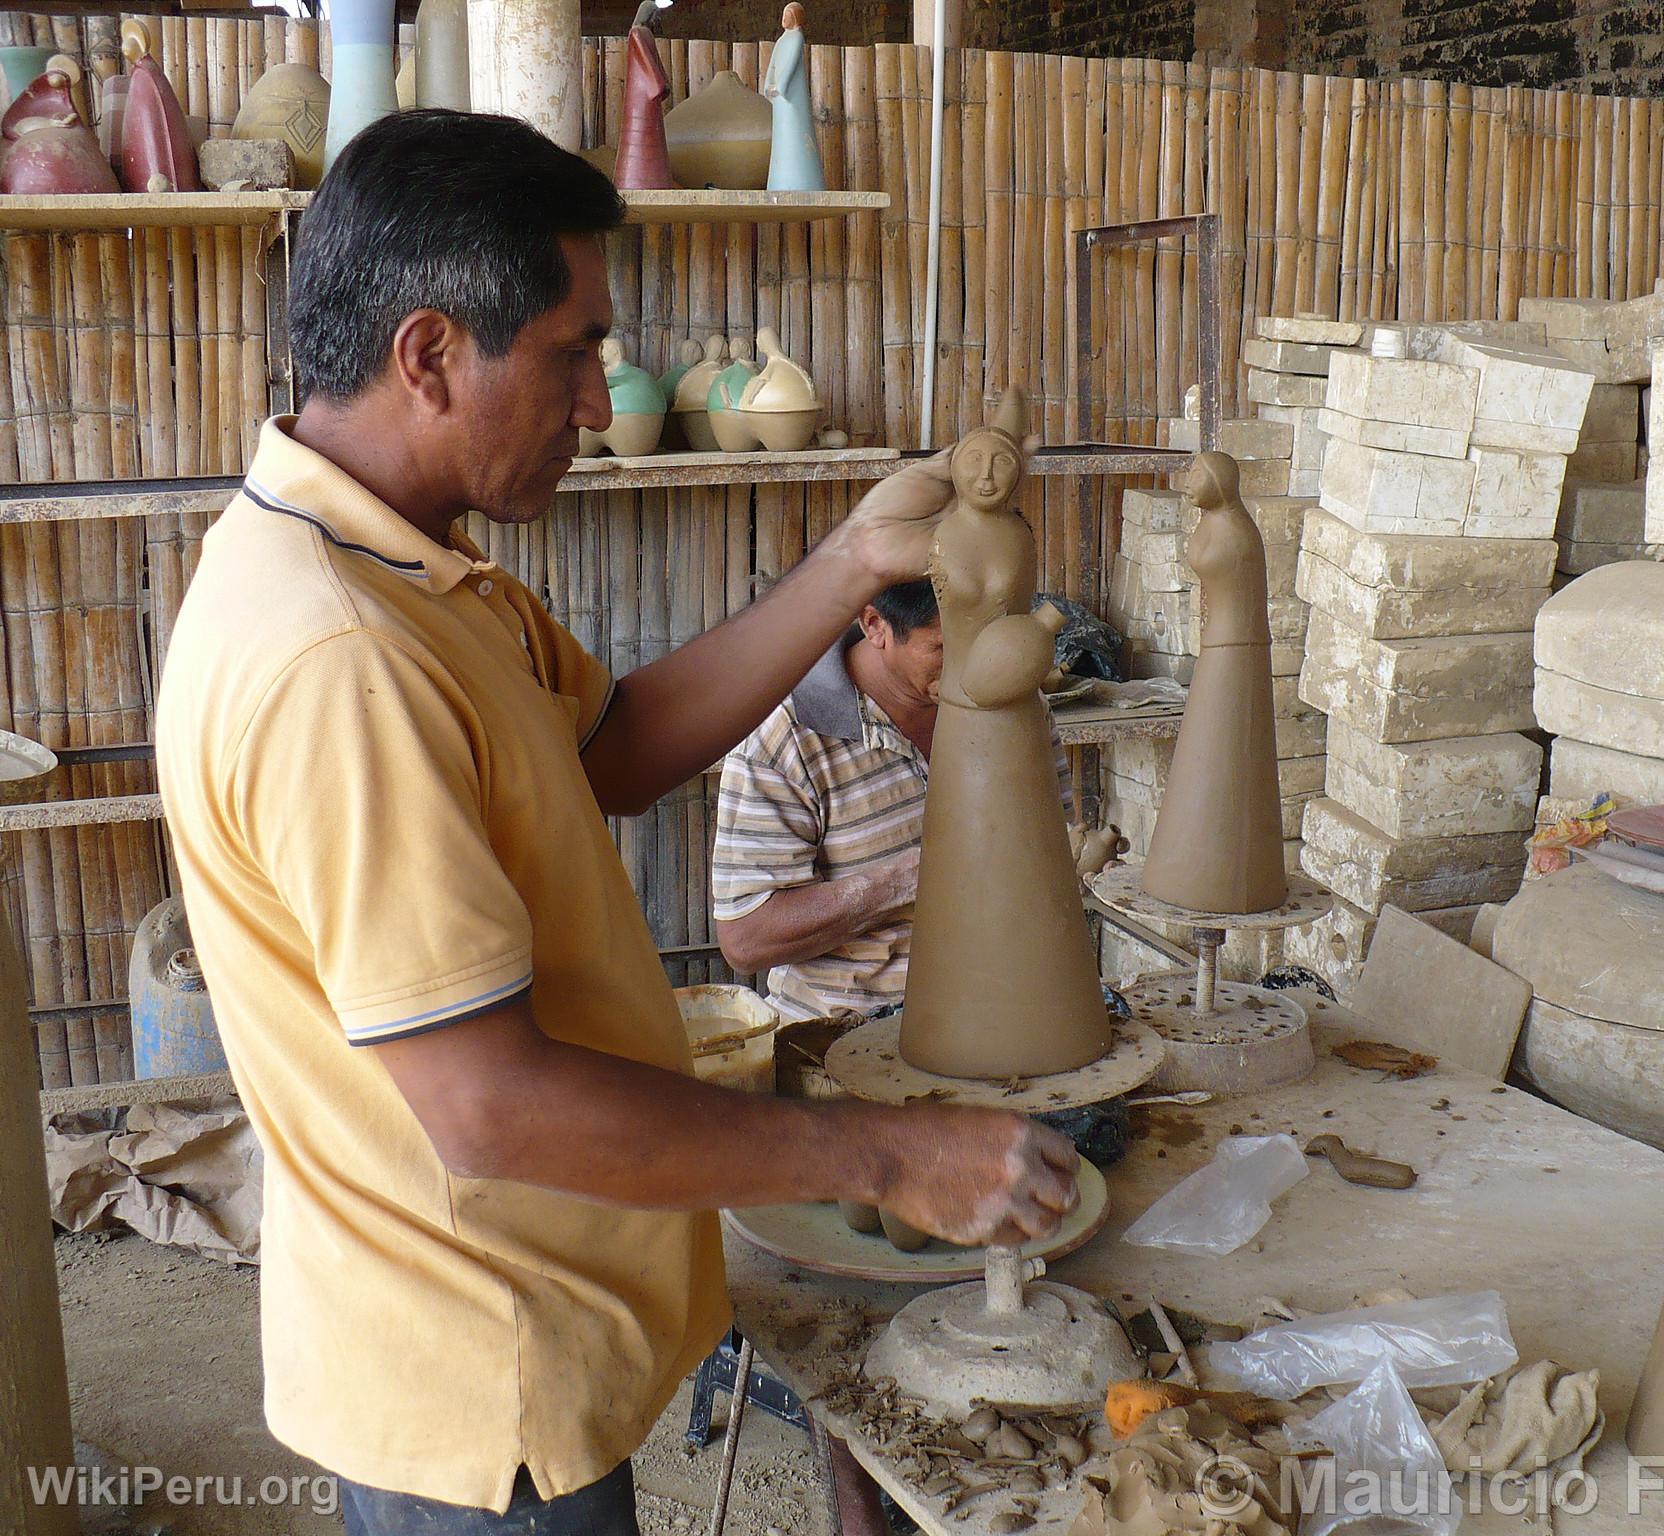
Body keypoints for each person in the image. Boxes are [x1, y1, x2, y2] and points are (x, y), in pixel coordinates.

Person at [153, 109, 1077, 1536]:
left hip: (516, 1332)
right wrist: (891, 1154)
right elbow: (488, 1104)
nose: (598, 402)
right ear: (429, 355)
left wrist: (851, 565)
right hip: (477, 1389)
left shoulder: (404, 566)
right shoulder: (341, 659)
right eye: (575, 351)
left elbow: (616, 748)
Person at [712, 578, 1074, 1019]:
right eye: (943, 647)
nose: (972, 668)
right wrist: (905, 880)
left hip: (1006, 1006)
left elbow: (1055, 854)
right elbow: (746, 939)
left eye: (984, 644)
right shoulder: (783, 740)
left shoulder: (1018, 705)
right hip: (848, 1027)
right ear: (875, 626)